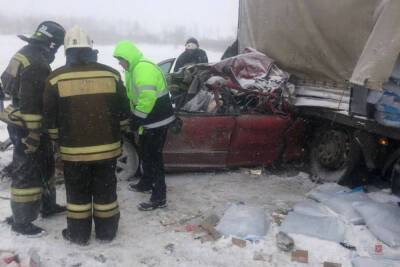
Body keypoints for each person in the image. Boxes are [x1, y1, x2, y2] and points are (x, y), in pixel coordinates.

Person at [43, 26, 130, 245]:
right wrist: (117, 133)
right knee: (106, 193)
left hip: (74, 153)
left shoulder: (55, 79)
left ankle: (79, 235)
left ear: (67, 50)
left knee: (78, 197)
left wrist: (57, 141)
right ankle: (106, 232)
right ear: (90, 47)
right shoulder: (111, 74)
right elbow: (123, 113)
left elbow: (50, 119)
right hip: (107, 150)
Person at [0, 21, 66, 235]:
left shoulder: (24, 53)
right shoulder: (37, 63)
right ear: (52, 43)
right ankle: (22, 221)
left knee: (45, 165)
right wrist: (33, 135)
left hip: (19, 120)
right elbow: (31, 105)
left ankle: (48, 205)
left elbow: (5, 81)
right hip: (28, 127)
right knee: (26, 171)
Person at [113, 41, 175, 211]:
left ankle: (159, 197)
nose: (120, 63)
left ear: (128, 57)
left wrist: (136, 118)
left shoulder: (142, 68)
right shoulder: (132, 70)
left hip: (156, 121)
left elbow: (147, 97)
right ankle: (146, 183)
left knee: (154, 158)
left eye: (121, 60)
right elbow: (133, 95)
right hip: (149, 121)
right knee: (146, 155)